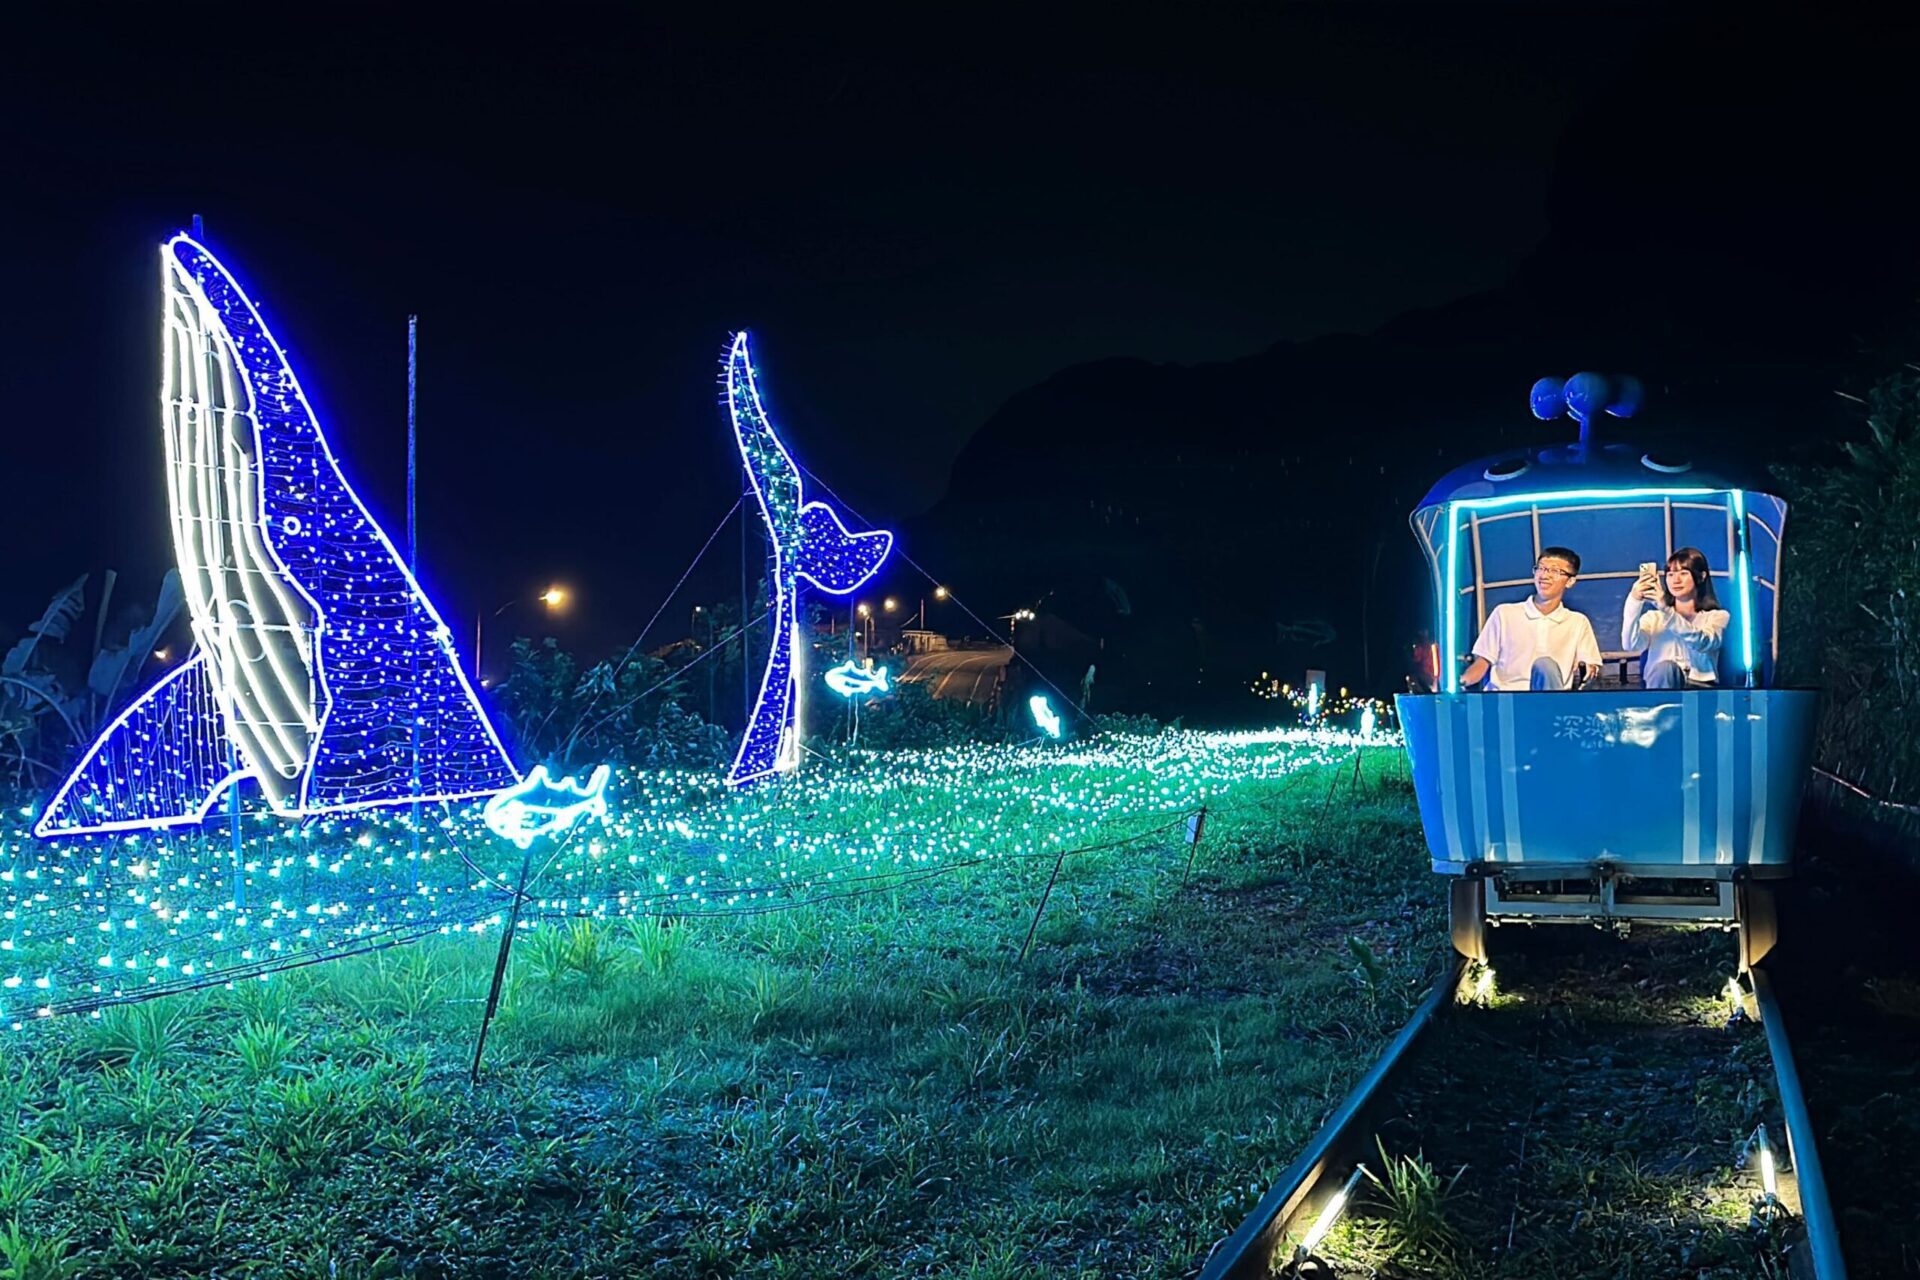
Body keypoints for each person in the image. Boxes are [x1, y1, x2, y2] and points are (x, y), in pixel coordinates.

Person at [1459, 546, 1602, 691]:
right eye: (1541, 569)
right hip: (1507, 701)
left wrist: (1589, 670)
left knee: (1545, 665)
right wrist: (1460, 683)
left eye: (1554, 571)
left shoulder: (1577, 622)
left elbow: (1590, 666)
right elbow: (1482, 662)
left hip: (1551, 701)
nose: (1545, 576)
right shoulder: (1504, 613)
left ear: (1570, 581)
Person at [1622, 546, 1730, 687]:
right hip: (1661, 686)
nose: (1676, 580)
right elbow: (1630, 645)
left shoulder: (1717, 617)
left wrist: (1666, 609)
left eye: (1683, 573)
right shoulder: (1654, 618)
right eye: (1670, 574)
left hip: (1700, 689)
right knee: (1665, 669)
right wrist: (1634, 600)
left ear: (1701, 576)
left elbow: (1704, 642)